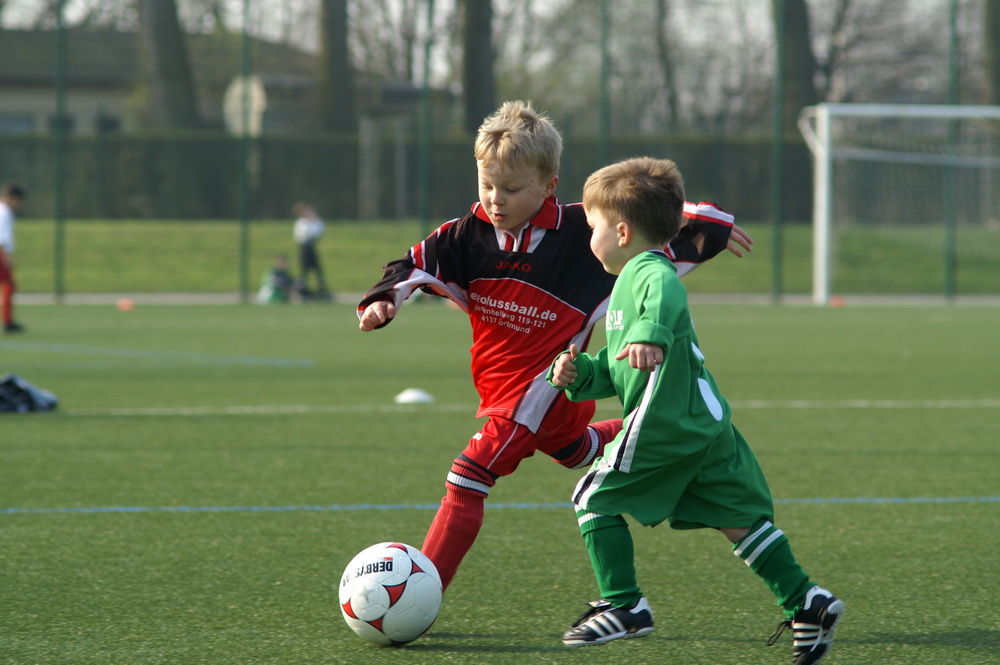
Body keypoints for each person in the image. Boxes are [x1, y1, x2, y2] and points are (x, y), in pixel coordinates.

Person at [357, 100, 752, 594]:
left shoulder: (583, 234)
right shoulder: (465, 236)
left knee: (467, 478)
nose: (495, 199)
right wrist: (385, 301)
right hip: (520, 389)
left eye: (512, 189)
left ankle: (417, 592)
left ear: (549, 186)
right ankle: (651, 433)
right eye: (486, 185)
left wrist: (707, 223)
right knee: (575, 449)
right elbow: (410, 266)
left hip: (538, 390)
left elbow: (648, 221)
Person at [547, 157, 842, 663]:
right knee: (739, 521)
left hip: (668, 420)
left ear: (621, 231)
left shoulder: (647, 270)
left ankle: (625, 605)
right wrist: (584, 374)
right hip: (703, 422)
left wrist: (649, 334)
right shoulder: (625, 283)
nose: (587, 236)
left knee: (592, 496)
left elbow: (667, 300)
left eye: (592, 226)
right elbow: (625, 369)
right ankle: (807, 602)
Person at [0, 182, 26, 334]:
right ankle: (8, 322)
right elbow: (1, 239)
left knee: (8, 285)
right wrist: (6, 258)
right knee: (8, 285)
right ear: (14, 198)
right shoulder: (5, 212)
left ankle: (8, 321)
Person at [292, 202, 329, 300]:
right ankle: (301, 291)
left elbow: (319, 231)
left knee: (317, 269)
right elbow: (303, 235)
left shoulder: (315, 222)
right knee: (303, 271)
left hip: (312, 248)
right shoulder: (301, 222)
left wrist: (314, 220)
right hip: (304, 248)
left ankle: (321, 290)